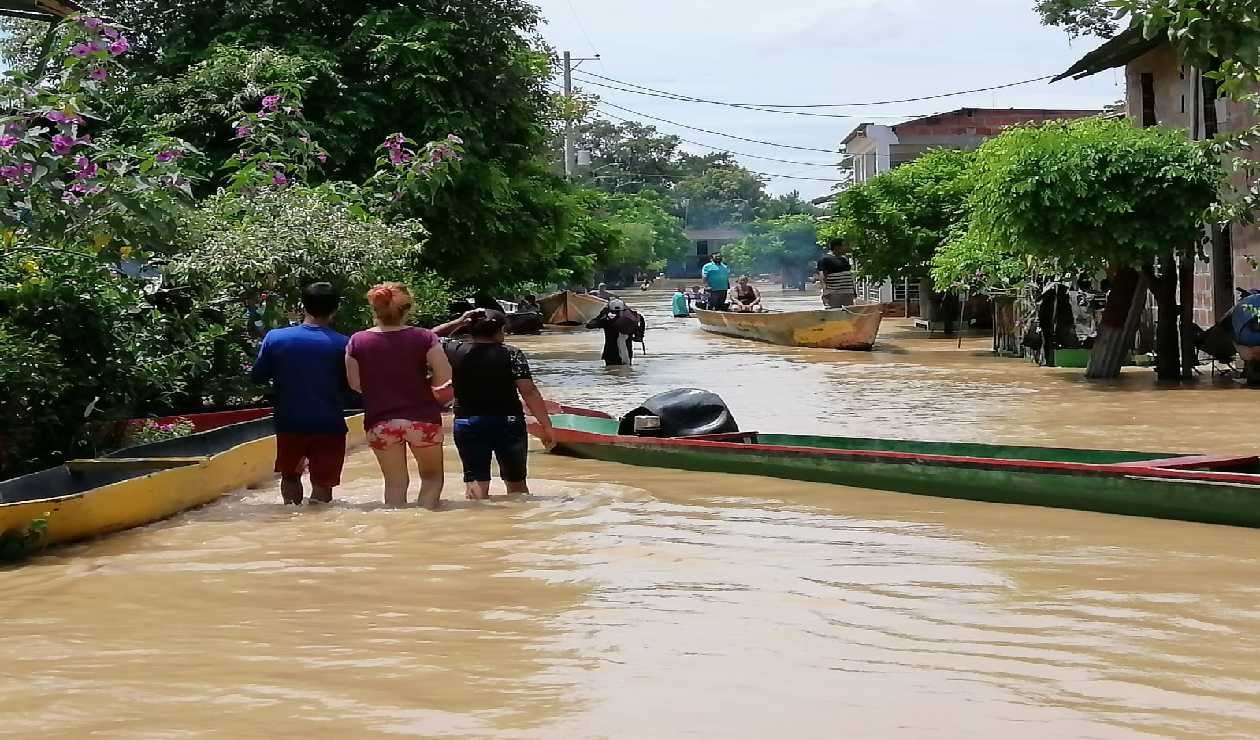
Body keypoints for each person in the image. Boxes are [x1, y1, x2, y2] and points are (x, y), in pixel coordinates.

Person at [345, 282, 454, 509]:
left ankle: (396, 529)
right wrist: (428, 386)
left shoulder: (357, 341)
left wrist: (381, 389)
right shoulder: (425, 337)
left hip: (380, 421)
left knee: (395, 484)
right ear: (407, 309)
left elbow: (355, 384)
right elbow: (444, 375)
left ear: (374, 309)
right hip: (422, 418)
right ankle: (424, 522)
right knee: (432, 478)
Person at [436, 310, 556, 500]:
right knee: (516, 484)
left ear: (469, 329)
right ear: (501, 330)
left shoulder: (455, 351)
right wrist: (547, 426)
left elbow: (427, 337)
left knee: (476, 485)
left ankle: (479, 523)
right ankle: (516, 523)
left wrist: (458, 321)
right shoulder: (512, 354)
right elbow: (529, 391)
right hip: (508, 423)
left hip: (468, 422)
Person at [250, 283, 351, 506]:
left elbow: (257, 376)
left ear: (302, 306)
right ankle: (318, 531)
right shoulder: (345, 344)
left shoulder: (275, 338)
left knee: (290, 476)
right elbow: (351, 385)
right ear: (335, 309)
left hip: (289, 421)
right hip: (329, 423)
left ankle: (292, 518)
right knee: (323, 485)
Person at [587, 298, 644, 366]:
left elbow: (590, 325)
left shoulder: (606, 319)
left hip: (610, 354)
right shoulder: (630, 319)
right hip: (627, 355)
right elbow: (638, 335)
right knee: (627, 372)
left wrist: (603, 315)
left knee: (611, 373)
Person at [818, 238, 856, 308]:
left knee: (849, 316)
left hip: (847, 294)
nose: (847, 247)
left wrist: (853, 291)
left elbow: (848, 276)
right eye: (845, 245)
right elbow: (822, 276)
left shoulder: (844, 259)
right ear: (837, 247)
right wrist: (825, 292)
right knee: (835, 316)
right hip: (834, 295)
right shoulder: (825, 259)